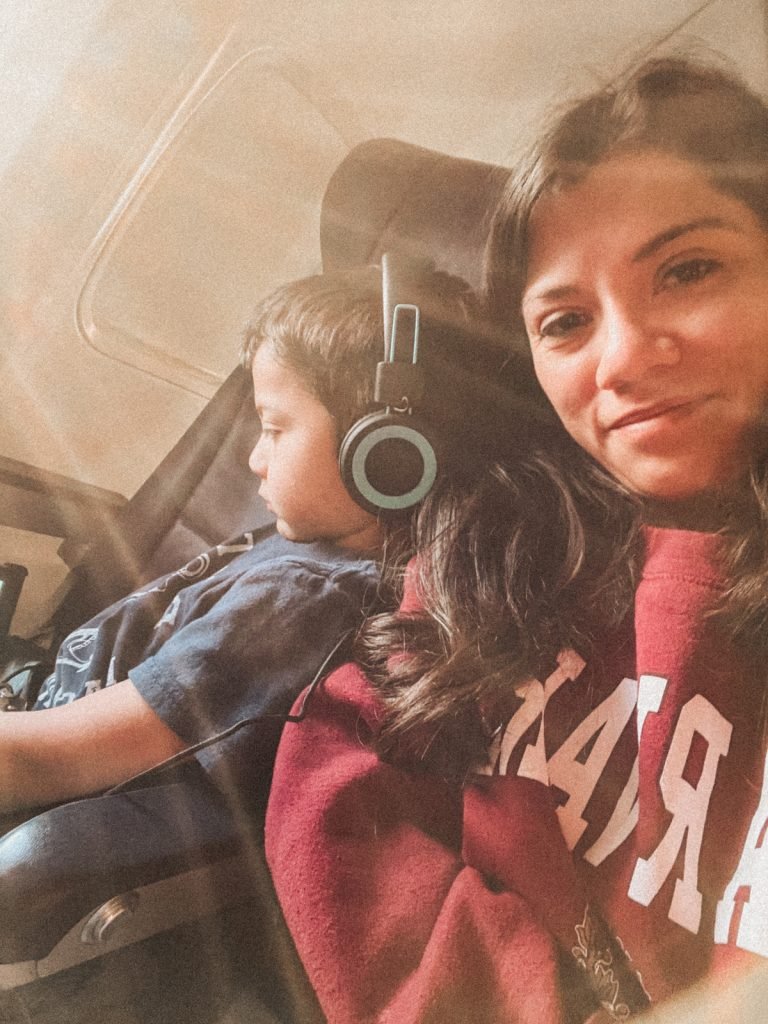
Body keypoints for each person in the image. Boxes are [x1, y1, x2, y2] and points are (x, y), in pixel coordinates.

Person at [265, 55, 768, 1023]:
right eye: (566, 321)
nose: (620, 356)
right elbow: (338, 751)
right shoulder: (503, 538)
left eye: (688, 270)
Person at [1, 264, 514, 820]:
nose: (253, 459)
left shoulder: (300, 604)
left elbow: (45, 762)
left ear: (387, 453)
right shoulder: (320, 543)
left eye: (274, 428)